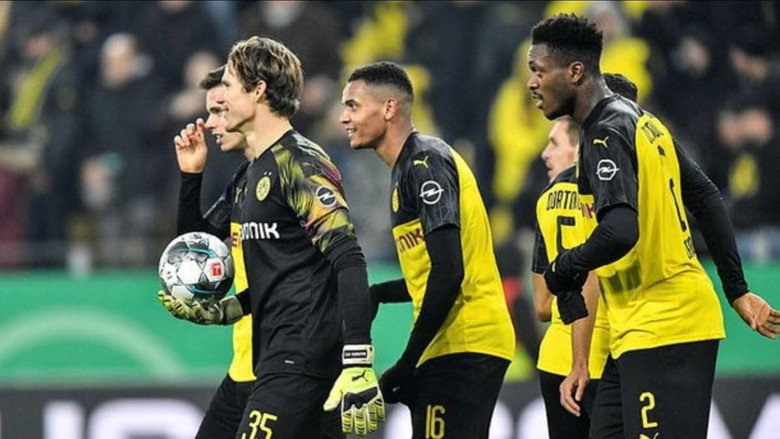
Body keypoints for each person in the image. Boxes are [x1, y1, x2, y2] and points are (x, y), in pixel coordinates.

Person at [526, 14, 780, 439]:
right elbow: (705, 195)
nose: (531, 83)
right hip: (634, 330)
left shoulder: (606, 133)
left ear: (574, 72)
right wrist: (736, 290)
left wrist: (561, 269)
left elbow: (620, 231)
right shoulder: (640, 120)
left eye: (538, 71)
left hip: (666, 324)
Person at [164, 37, 384, 438]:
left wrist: (358, 358)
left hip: (300, 358)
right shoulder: (249, 175)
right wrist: (191, 176)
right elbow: (211, 253)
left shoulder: (300, 162)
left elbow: (348, 257)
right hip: (274, 359)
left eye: (228, 86)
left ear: (258, 90)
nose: (221, 100)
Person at [339, 61, 515, 438]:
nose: (343, 118)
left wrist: (407, 361)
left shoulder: (426, 162)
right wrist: (380, 293)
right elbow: (432, 271)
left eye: (353, 105)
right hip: (450, 342)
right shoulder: (406, 169)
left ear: (389, 108)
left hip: (467, 340)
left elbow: (450, 271)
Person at [531, 73, 638, 439]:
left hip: (554, 357)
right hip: (603, 356)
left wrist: (567, 305)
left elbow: (542, 305)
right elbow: (592, 274)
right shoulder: (613, 194)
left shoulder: (546, 200)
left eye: (553, 143)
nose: (545, 153)